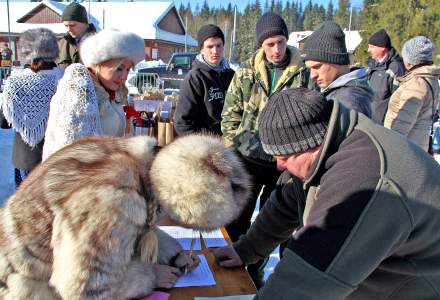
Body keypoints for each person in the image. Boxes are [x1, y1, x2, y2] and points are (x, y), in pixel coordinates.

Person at [213, 87, 440, 299]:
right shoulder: (329, 141)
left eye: (284, 158)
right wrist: (247, 249)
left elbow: (306, 279)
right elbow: (287, 202)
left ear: (313, 147)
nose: (279, 165)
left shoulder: (363, 179)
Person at [0, 134, 251, 299]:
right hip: (25, 283)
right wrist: (150, 276)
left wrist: (173, 254)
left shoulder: (141, 163)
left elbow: (135, 228)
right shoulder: (115, 197)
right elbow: (84, 288)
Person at [221, 12, 309, 288]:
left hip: (284, 163)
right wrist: (234, 150)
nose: (276, 50)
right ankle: (230, 274)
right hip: (246, 161)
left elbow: (311, 117)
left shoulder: (302, 72)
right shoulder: (246, 71)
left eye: (281, 42)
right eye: (270, 44)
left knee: (274, 224)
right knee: (237, 220)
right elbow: (229, 117)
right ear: (261, 44)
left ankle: (255, 272)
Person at [43, 29, 145, 160]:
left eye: (128, 69)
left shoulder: (113, 91)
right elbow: (72, 150)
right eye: (119, 68)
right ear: (98, 63)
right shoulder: (78, 89)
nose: (124, 76)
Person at [0, 28, 63, 188]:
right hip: (55, 156)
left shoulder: (14, 82)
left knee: (25, 207)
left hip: (23, 157)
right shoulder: (63, 79)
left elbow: (4, 122)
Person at [301, 21, 372, 117]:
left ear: (337, 61)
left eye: (317, 66)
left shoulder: (348, 102)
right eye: (310, 69)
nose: (312, 75)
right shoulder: (340, 92)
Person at [174, 24, 235, 135]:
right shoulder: (194, 79)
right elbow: (182, 124)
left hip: (231, 141)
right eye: (210, 46)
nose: (215, 51)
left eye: (219, 45)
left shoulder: (232, 76)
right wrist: (209, 142)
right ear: (201, 49)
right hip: (206, 145)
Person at [384, 36, 439, 152]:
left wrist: (389, 149)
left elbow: (402, 125)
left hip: (406, 151)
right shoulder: (429, 79)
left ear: (411, 60)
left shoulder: (416, 84)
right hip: (417, 146)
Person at [367, 29, 405, 123]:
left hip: (383, 126)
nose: (368, 50)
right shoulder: (373, 66)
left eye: (372, 47)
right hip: (369, 121)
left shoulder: (395, 68)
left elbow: (399, 102)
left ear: (382, 47)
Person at [56, 1, 96, 69]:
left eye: (72, 25)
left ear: (85, 23)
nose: (69, 29)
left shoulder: (100, 44)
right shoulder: (60, 45)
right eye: (66, 26)